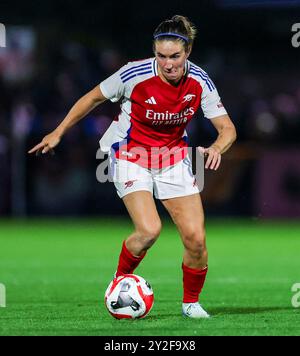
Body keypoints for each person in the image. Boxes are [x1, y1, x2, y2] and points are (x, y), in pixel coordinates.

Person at [29, 15, 237, 318]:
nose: (168, 64)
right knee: (149, 229)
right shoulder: (133, 74)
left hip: (173, 158)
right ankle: (119, 281)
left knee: (196, 239)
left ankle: (190, 304)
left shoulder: (200, 81)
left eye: (175, 56)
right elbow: (92, 98)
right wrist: (59, 132)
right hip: (129, 154)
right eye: (161, 56)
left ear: (188, 52)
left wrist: (217, 147)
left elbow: (227, 128)